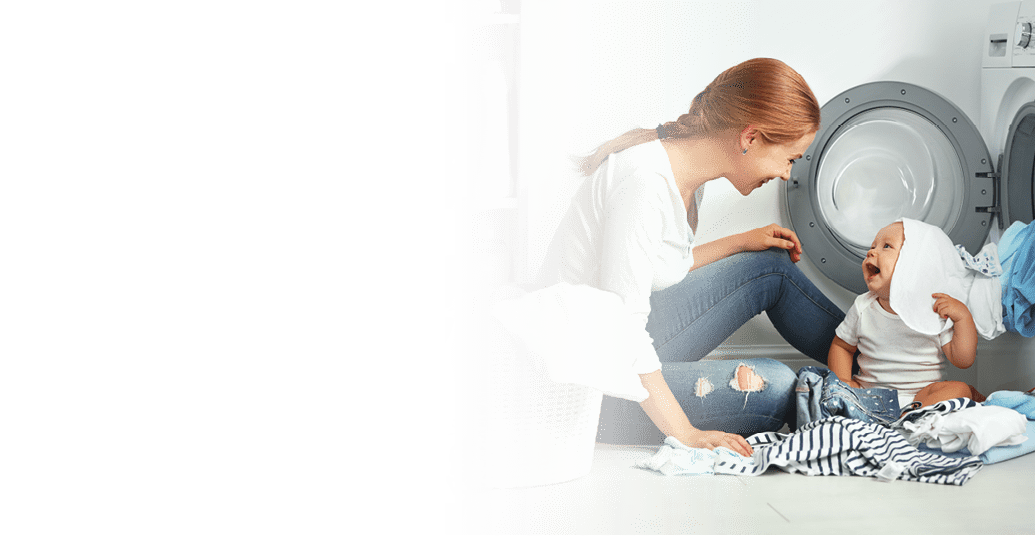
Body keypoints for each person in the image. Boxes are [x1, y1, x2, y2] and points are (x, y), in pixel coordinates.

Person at [535, 58, 846, 456]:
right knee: (776, 385)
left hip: (613, 346)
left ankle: (881, 367)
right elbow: (623, 326)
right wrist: (685, 433)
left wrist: (738, 242)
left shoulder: (685, 176)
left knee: (770, 264)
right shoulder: (644, 184)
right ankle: (855, 393)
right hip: (588, 385)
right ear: (750, 137)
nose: (787, 174)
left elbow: (651, 269)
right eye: (790, 158)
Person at [828, 220, 981, 413]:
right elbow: (842, 346)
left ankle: (912, 414)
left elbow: (963, 360)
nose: (871, 252)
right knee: (825, 388)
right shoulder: (863, 306)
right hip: (870, 394)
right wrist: (844, 382)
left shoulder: (934, 308)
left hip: (922, 396)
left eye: (886, 246)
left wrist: (962, 318)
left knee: (960, 389)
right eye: (873, 246)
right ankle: (898, 417)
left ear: (914, 263)